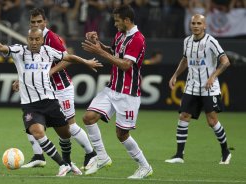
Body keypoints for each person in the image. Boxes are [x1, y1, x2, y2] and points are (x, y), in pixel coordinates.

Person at [0, 28, 101, 176]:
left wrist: (86, 62)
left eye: (37, 39)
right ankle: (62, 164)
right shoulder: (19, 51)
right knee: (37, 132)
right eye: (31, 39)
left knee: (65, 134)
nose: (34, 42)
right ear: (27, 39)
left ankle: (68, 162)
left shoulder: (49, 51)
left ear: (42, 40)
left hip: (50, 101)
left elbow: (68, 57)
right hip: (30, 105)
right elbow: (2, 47)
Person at [12, 8, 98, 172]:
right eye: (33, 22)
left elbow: (67, 59)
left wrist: (49, 72)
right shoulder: (34, 38)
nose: (36, 24)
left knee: (69, 127)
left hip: (61, 87)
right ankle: (40, 156)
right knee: (32, 124)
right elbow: (31, 65)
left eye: (39, 21)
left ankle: (91, 153)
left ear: (45, 22)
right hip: (46, 90)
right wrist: (21, 79)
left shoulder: (51, 38)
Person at [81, 4, 153, 179]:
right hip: (112, 88)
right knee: (88, 118)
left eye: (117, 21)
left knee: (122, 134)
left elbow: (125, 64)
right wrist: (98, 44)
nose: (115, 24)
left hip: (128, 93)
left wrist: (99, 52)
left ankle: (145, 167)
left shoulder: (138, 39)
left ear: (127, 20)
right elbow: (114, 53)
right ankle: (102, 157)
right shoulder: (121, 35)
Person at [165, 14, 231, 164]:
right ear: (190, 25)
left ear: (204, 26)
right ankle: (179, 155)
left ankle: (225, 152)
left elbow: (226, 61)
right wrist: (175, 75)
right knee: (183, 116)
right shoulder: (187, 41)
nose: (195, 26)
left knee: (212, 121)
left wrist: (213, 76)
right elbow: (185, 60)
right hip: (191, 86)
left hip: (209, 88)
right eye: (193, 23)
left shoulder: (211, 41)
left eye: (199, 23)